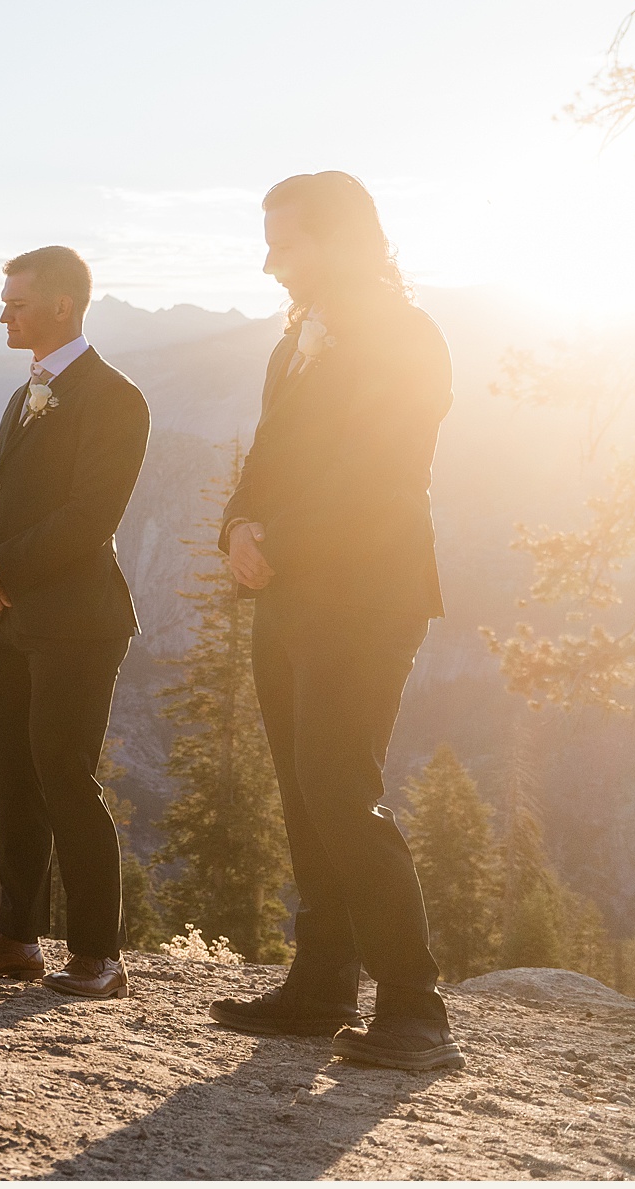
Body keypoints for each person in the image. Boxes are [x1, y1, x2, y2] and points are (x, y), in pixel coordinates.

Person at [207, 172, 463, 1072]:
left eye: (286, 240)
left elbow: (382, 476)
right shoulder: (294, 345)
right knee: (302, 787)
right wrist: (239, 525)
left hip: (365, 596)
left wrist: (280, 540)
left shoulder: (407, 335)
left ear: (339, 241)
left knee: (338, 785)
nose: (270, 259)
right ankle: (319, 988)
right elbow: (267, 455)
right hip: (289, 595)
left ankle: (416, 1010)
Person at [0, 246, 150, 999]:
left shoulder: (117, 398)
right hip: (12, 616)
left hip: (80, 624)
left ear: (63, 305)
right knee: (12, 776)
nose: (4, 312)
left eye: (16, 301)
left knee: (64, 775)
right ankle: (16, 937)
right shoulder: (25, 393)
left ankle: (99, 954)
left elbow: (89, 517)